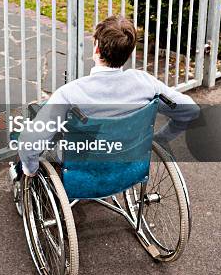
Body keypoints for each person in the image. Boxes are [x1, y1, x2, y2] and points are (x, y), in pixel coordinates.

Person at [12, 15, 200, 179]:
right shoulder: (147, 84)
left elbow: (30, 143)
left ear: (97, 49)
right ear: (128, 52)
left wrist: (30, 169)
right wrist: (159, 138)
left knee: (34, 130)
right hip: (128, 161)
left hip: (81, 166)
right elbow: (190, 110)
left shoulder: (70, 93)